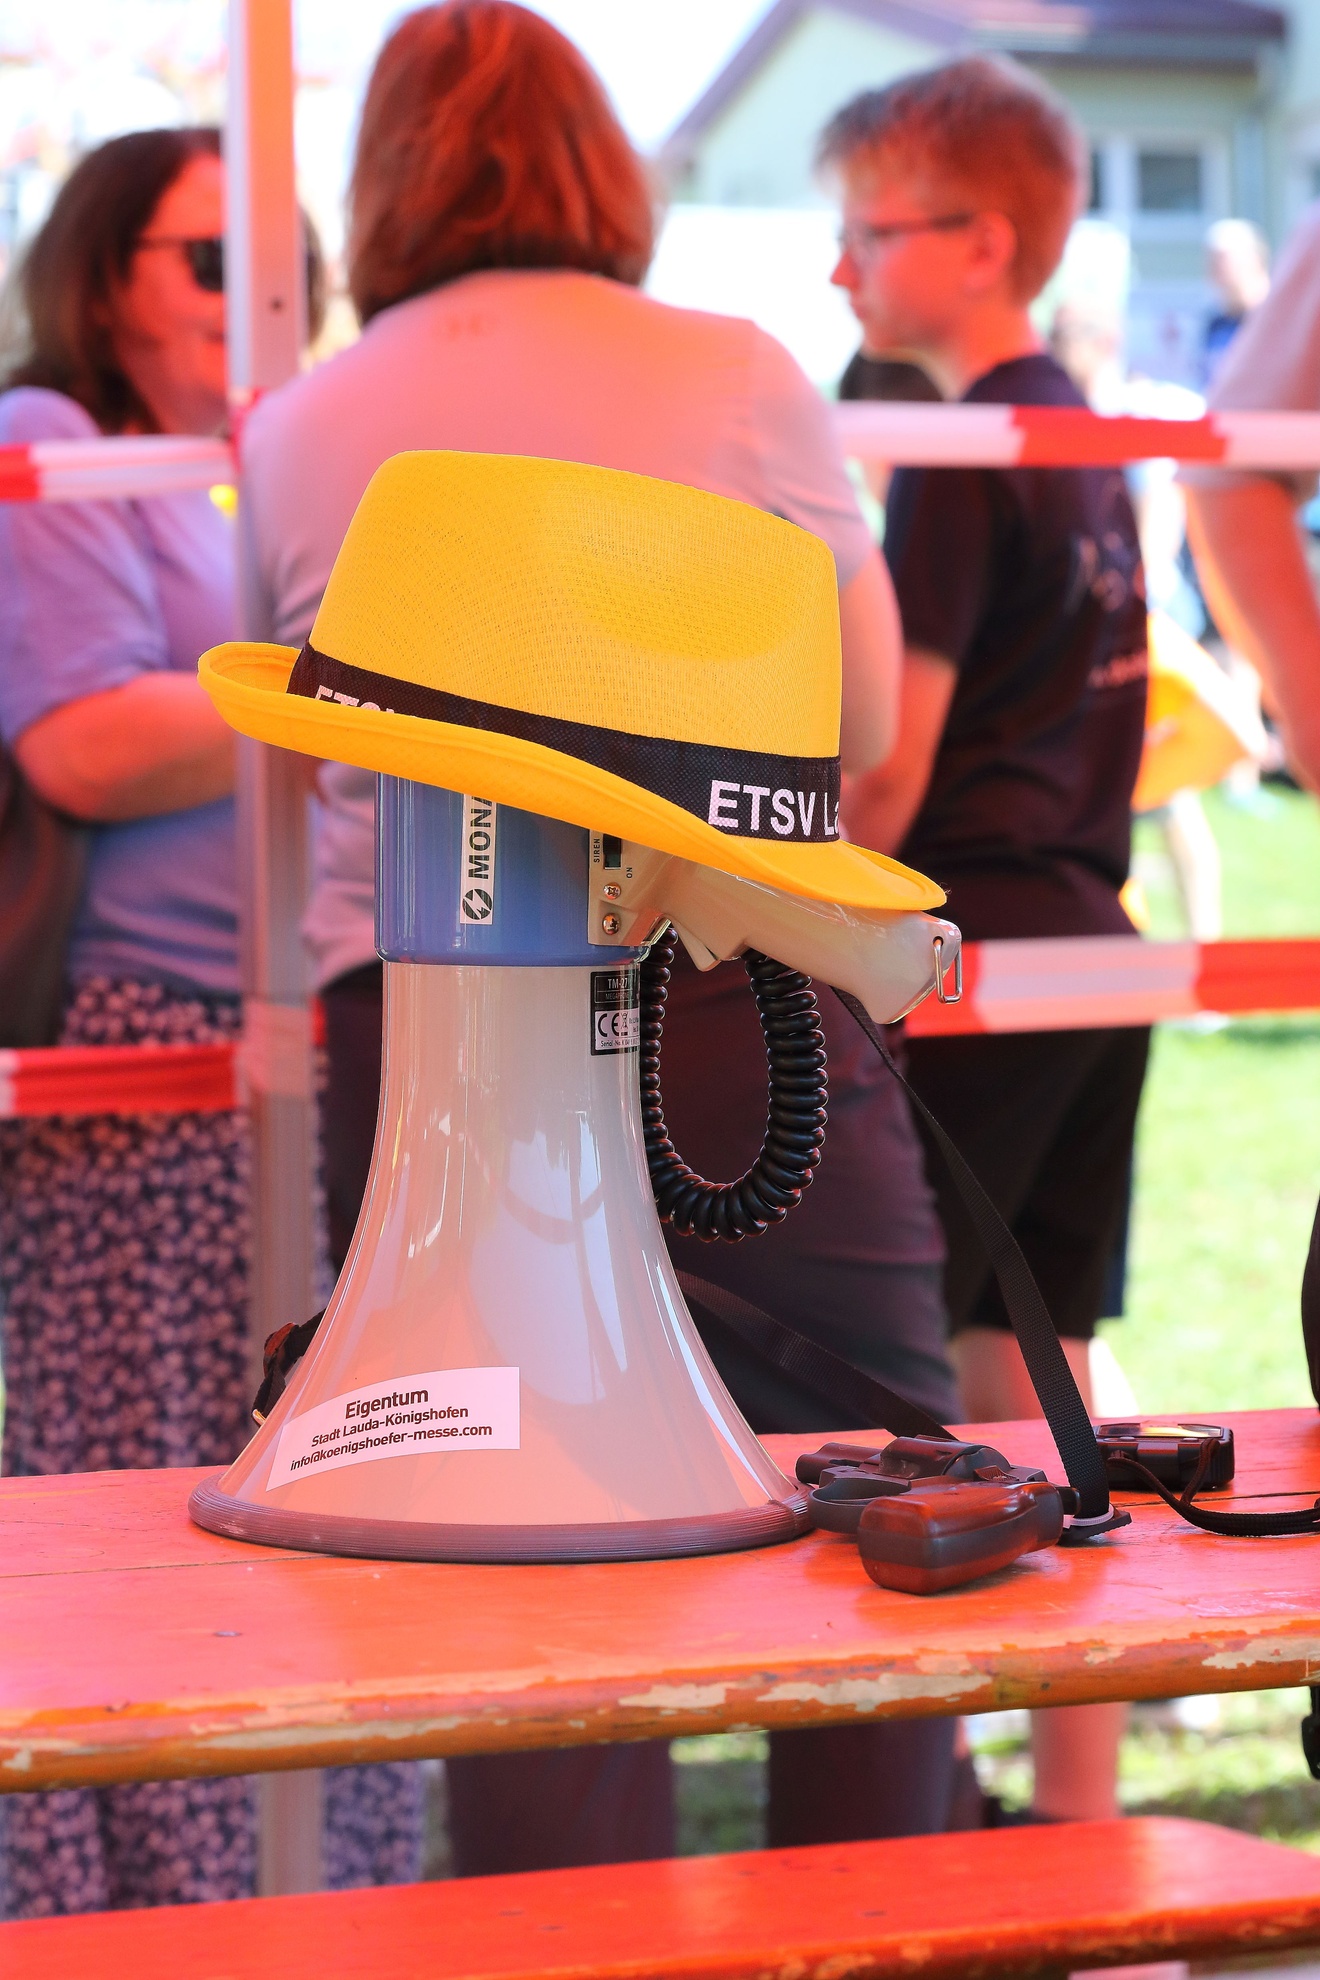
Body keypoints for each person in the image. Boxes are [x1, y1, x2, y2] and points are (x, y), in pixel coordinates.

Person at [240, 0, 962, 1873]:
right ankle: (897, 1920)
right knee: (892, 1517)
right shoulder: (735, 374)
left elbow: (310, 758)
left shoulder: (300, 421)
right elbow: (868, 730)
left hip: (403, 1022)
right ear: (602, 167)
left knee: (502, 1540)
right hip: (721, 994)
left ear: (383, 184)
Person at [0, 128, 413, 1919]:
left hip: (259, 1049)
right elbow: (84, 742)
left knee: (286, 1479)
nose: (260, 298)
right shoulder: (56, 442)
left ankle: (294, 1889)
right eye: (208, 259)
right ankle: (148, 1914)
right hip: (141, 1054)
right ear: (101, 277)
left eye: (284, 264)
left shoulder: (226, 476)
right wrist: (346, 694)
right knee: (147, 1503)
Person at [824, 58, 1150, 1825]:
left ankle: (930, 1792)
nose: (841, 269)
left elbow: (891, 771)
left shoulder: (957, 454)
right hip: (1097, 936)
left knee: (907, 1383)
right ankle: (1074, 1817)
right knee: (1046, 1378)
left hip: (978, 952)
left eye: (868, 233)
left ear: (983, 243)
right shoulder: (1083, 434)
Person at [1201, 217, 1270, 389]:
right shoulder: (1215, 323)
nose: (1216, 268)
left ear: (1254, 259)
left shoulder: (1277, 319)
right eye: (1212, 260)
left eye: (1223, 259)